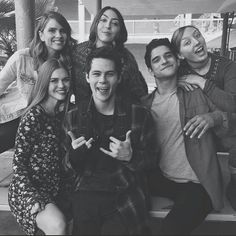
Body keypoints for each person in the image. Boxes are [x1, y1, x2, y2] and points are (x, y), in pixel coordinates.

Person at [64, 46, 158, 235]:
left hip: (124, 196)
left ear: (119, 77)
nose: (103, 81)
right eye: (96, 74)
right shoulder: (73, 117)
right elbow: (64, 168)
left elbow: (153, 161)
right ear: (87, 77)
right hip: (85, 195)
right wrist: (74, 157)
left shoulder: (139, 115)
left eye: (110, 74)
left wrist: (131, 157)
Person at [142, 38, 229, 235]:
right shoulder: (144, 105)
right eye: (157, 60)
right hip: (161, 178)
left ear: (178, 60)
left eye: (168, 55)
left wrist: (213, 118)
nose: (164, 61)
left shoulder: (197, 93)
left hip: (197, 183)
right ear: (150, 70)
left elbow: (228, 121)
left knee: (169, 230)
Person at [171, 25, 236, 210]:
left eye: (197, 35)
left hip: (228, 130)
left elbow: (233, 103)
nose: (196, 42)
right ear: (181, 55)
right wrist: (176, 82)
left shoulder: (227, 66)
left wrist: (201, 82)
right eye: (187, 42)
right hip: (196, 137)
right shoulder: (179, 71)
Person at [8, 58, 71, 235]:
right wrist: (31, 197)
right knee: (58, 225)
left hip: (55, 187)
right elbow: (18, 166)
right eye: (54, 80)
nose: (62, 85)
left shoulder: (63, 115)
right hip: (29, 189)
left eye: (65, 79)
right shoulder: (33, 116)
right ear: (44, 83)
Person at [0, 10, 76, 154]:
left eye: (63, 31)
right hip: (18, 116)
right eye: (52, 30)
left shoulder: (71, 63)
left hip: (52, 119)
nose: (58, 35)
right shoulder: (22, 57)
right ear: (41, 35)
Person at [71, 6, 148, 104]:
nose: (108, 26)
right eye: (103, 20)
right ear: (96, 24)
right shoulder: (77, 53)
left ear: (120, 30)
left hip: (117, 116)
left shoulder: (127, 59)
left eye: (115, 23)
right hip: (81, 115)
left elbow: (139, 94)